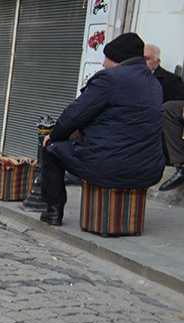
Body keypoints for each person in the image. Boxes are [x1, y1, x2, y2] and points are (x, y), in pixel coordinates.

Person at [38, 33, 164, 226]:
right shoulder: (155, 84)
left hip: (111, 165)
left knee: (51, 150)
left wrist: (53, 137)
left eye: (108, 58)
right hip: (149, 169)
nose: (104, 64)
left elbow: (74, 115)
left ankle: (53, 211)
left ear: (119, 59)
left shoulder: (110, 79)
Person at [145, 44, 184, 192]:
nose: (143, 62)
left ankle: (179, 166)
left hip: (158, 128)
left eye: (147, 59)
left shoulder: (171, 80)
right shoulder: (130, 78)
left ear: (157, 61)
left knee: (167, 110)